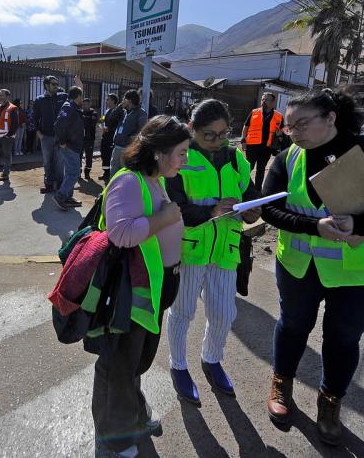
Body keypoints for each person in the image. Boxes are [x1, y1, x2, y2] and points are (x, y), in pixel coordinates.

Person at [261, 89, 364, 446]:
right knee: (292, 327)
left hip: (362, 274)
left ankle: (330, 402)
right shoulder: (288, 159)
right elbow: (269, 209)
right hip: (299, 268)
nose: (295, 132)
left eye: (302, 123)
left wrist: (362, 226)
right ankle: (281, 384)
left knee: (342, 339)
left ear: (330, 117)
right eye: (290, 127)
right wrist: (313, 227)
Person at [91, 115, 190, 457]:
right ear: (159, 152)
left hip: (155, 286)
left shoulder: (155, 179)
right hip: (131, 291)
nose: (185, 160)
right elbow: (121, 234)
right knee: (118, 365)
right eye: (181, 152)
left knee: (135, 362)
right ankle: (113, 440)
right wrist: (166, 218)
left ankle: (132, 417)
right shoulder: (129, 181)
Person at [165, 100, 260, 405]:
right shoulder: (180, 158)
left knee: (223, 314)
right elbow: (175, 208)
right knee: (182, 313)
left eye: (223, 134)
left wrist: (251, 210)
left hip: (225, 251)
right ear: (192, 129)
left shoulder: (235, 158)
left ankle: (211, 359)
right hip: (191, 251)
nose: (218, 141)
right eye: (210, 135)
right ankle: (178, 366)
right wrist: (211, 211)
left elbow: (251, 196)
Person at [240, 91, 284, 191]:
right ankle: (243, 188)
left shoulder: (279, 116)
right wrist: (243, 140)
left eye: (267, 99)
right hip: (252, 146)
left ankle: (257, 190)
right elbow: (246, 127)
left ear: (273, 102)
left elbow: (281, 132)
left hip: (267, 147)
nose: (263, 101)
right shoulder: (254, 112)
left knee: (261, 169)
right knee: (248, 168)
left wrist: (279, 142)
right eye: (262, 99)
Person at [52, 86, 85, 211]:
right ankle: (60, 196)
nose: (82, 99)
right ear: (78, 97)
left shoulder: (74, 107)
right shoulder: (68, 107)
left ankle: (68, 197)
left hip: (74, 146)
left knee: (70, 172)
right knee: (74, 173)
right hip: (69, 146)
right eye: (81, 96)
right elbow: (59, 125)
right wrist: (62, 142)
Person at [34, 75, 67, 194]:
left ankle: (59, 186)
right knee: (47, 162)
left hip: (60, 137)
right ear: (47, 85)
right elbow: (35, 118)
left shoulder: (63, 96)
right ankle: (48, 185)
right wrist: (39, 133)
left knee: (59, 163)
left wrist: (79, 85)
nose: (56, 86)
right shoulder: (39, 100)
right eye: (54, 84)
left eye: (57, 84)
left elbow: (75, 98)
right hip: (46, 137)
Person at [111, 90, 148, 176]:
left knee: (126, 175)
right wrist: (120, 106)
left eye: (124, 99)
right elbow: (111, 117)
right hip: (117, 147)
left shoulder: (141, 113)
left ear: (129, 100)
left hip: (128, 149)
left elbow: (142, 130)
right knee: (114, 174)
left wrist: (131, 138)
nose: (122, 100)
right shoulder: (124, 111)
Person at [99, 93, 123, 182]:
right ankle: (105, 173)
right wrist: (102, 125)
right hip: (104, 137)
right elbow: (102, 119)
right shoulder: (106, 111)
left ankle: (109, 174)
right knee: (103, 155)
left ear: (113, 101)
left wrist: (109, 129)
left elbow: (119, 125)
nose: (106, 101)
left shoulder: (118, 112)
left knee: (109, 156)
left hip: (111, 139)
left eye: (108, 99)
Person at [80, 97, 99, 180]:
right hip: (80, 138)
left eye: (86, 104)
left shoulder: (93, 113)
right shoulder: (80, 112)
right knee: (78, 156)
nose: (85, 106)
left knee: (89, 156)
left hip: (89, 139)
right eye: (83, 104)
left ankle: (87, 172)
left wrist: (85, 120)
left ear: (90, 105)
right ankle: (78, 173)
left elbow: (92, 122)